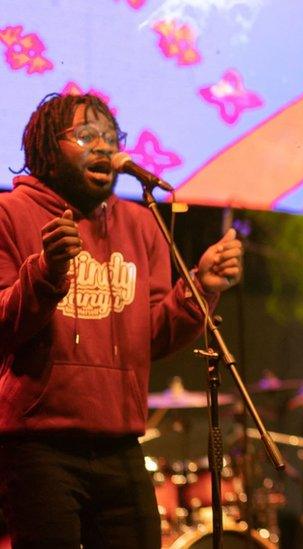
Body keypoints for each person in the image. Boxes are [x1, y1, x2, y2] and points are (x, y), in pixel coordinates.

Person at [0, 93, 243, 548]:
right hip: (38, 446)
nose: (104, 147)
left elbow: (151, 335)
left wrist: (201, 286)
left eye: (111, 138)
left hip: (122, 442)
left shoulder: (140, 222)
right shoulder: (9, 215)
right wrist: (46, 273)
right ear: (48, 150)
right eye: (85, 136)